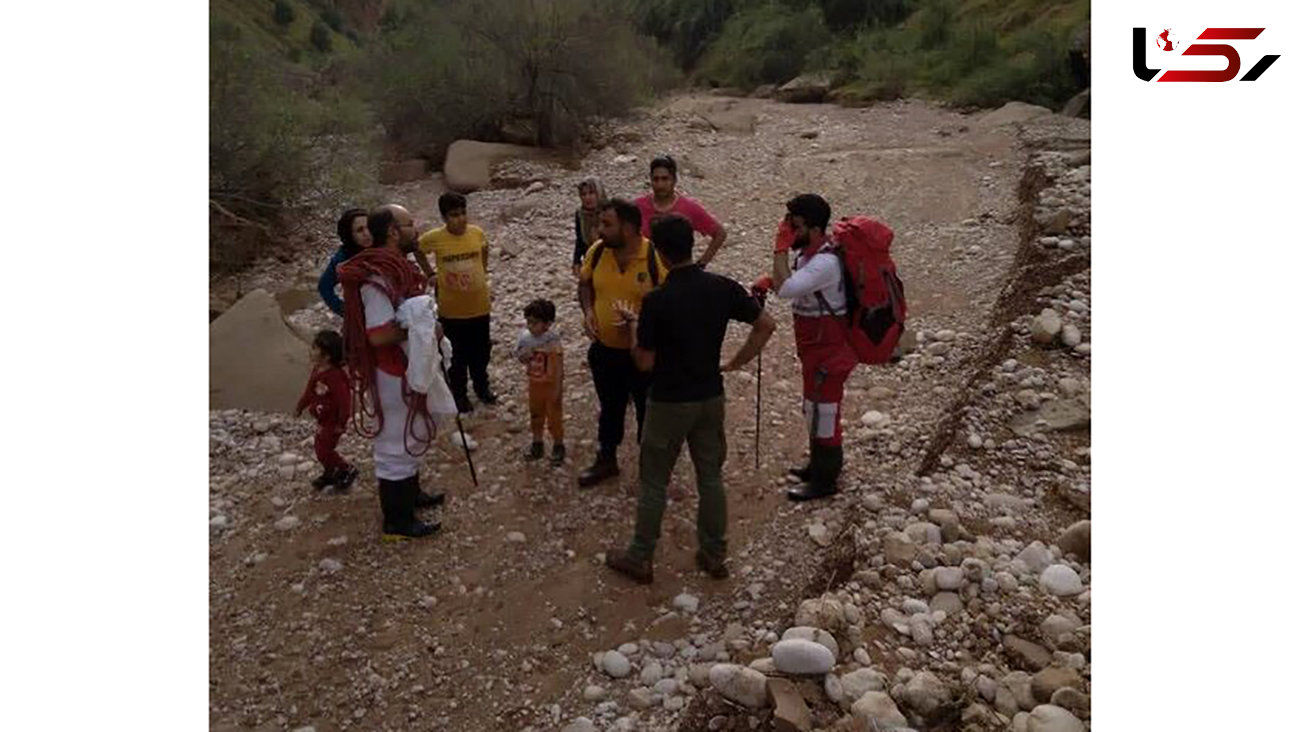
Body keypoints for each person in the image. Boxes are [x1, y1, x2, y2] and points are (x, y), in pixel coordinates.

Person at [603, 214, 776, 584]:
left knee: (654, 481)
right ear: (691, 245)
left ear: (661, 254)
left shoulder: (657, 301)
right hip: (709, 395)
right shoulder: (721, 287)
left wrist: (634, 329)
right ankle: (714, 554)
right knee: (710, 476)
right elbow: (766, 324)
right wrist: (738, 360)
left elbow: (645, 362)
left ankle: (641, 555)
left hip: (668, 400)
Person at [337, 203, 444, 540]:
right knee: (394, 442)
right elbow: (379, 333)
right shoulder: (376, 279)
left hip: (401, 368)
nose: (417, 228)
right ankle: (397, 521)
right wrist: (421, 328)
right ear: (395, 232)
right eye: (410, 224)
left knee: (410, 434)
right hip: (390, 373)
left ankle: (411, 497)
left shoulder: (393, 271)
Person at [758, 194, 857, 502]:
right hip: (814, 349)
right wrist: (767, 280)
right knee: (812, 407)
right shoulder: (808, 256)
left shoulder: (825, 262)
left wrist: (779, 247)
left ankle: (826, 480)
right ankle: (818, 465)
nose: (790, 231)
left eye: (795, 226)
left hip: (830, 350)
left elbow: (789, 288)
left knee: (825, 413)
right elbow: (791, 281)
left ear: (814, 229)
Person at [576, 198, 666, 488]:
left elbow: (668, 302)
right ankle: (607, 459)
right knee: (610, 406)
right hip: (604, 350)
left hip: (643, 352)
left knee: (648, 410)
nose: (599, 230)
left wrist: (640, 326)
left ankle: (651, 466)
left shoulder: (655, 257)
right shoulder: (597, 251)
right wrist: (588, 311)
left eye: (607, 224)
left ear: (627, 228)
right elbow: (584, 284)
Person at [416, 192, 498, 413]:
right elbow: (418, 249)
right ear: (444, 217)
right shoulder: (435, 238)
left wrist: (482, 272)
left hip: (480, 307)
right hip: (452, 311)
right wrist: (430, 273)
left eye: (463, 213)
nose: (460, 219)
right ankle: (459, 395)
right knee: (456, 356)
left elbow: (484, 249)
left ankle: (482, 388)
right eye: (454, 215)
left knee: (481, 352)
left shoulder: (476, 233)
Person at [634, 155, 727, 269]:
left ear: (674, 180)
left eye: (665, 179)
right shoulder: (637, 206)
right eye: (656, 179)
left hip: (677, 277)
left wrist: (701, 264)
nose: (660, 185)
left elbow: (719, 233)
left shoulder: (689, 207)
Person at [295, 329, 359, 491]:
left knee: (324, 449)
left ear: (327, 356)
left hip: (333, 421)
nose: (311, 351)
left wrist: (341, 421)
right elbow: (309, 391)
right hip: (323, 419)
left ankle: (345, 469)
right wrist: (300, 406)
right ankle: (330, 472)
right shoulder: (317, 371)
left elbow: (344, 400)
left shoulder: (335, 377)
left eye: (315, 348)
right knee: (319, 447)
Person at [514, 299, 565, 466]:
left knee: (554, 417)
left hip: (551, 385)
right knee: (536, 415)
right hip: (535, 384)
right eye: (528, 322)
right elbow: (519, 356)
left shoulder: (553, 340)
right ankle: (537, 443)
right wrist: (524, 355)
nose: (530, 326)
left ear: (547, 324)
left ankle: (558, 444)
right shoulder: (525, 338)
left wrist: (558, 387)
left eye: (534, 323)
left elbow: (558, 365)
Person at [318, 208, 373, 316]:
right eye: (359, 230)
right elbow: (324, 286)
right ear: (349, 234)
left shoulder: (382, 248)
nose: (366, 233)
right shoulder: (344, 258)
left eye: (369, 228)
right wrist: (343, 310)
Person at [572, 177, 606, 277]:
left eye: (591, 193)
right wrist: (576, 261)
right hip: (589, 260)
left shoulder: (609, 212)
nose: (587, 198)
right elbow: (579, 240)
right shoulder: (580, 215)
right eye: (583, 194)